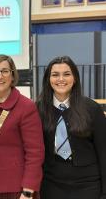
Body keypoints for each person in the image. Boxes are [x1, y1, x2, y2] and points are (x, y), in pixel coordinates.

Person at [0, 54, 45, 199]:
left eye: (5, 71)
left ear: (12, 75)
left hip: (15, 186)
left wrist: (28, 190)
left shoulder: (26, 106)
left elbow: (35, 152)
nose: (0, 76)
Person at [36, 56, 106, 199]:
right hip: (50, 185)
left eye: (66, 74)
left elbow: (104, 153)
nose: (61, 79)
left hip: (88, 185)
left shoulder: (92, 108)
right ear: (48, 80)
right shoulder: (37, 110)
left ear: (75, 78)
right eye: (55, 75)